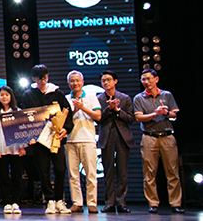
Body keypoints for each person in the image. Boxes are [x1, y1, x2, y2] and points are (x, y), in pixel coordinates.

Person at [20, 64, 73, 215]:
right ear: (33, 79)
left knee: (60, 169)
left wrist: (66, 129)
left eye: (44, 78)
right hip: (39, 140)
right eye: (39, 79)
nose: (42, 81)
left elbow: (67, 112)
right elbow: (25, 116)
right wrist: (29, 136)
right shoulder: (28, 94)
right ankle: (49, 200)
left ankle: (59, 200)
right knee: (43, 171)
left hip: (56, 137)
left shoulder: (57, 93)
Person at [133, 69, 183, 213]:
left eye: (149, 78)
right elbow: (139, 117)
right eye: (143, 79)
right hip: (149, 136)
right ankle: (153, 203)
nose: (146, 82)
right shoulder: (139, 98)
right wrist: (155, 114)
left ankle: (175, 203)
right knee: (149, 172)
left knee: (172, 172)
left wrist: (165, 113)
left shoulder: (166, 95)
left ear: (156, 79)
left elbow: (175, 115)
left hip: (167, 136)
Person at [65, 70, 102, 213]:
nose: (75, 83)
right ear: (68, 83)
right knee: (73, 175)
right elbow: (62, 119)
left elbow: (98, 116)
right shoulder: (66, 99)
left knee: (90, 173)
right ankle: (77, 202)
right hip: (71, 140)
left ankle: (92, 202)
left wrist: (82, 108)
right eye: (72, 81)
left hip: (87, 139)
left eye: (77, 80)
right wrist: (74, 110)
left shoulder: (91, 97)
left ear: (82, 82)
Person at [97, 70, 134, 213]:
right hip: (107, 137)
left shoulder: (125, 98)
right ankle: (109, 203)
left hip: (122, 137)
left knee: (122, 172)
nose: (106, 82)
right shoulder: (99, 99)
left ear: (115, 81)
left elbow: (130, 118)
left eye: (108, 80)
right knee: (108, 172)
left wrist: (117, 110)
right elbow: (98, 119)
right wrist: (109, 109)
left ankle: (121, 203)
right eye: (103, 80)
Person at [0, 86, 25, 214]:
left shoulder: (18, 112)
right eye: (2, 95)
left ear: (11, 96)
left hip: (16, 149)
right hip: (2, 148)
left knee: (17, 177)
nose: (4, 97)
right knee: (3, 177)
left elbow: (22, 130)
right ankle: (6, 202)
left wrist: (22, 147)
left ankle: (16, 202)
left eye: (6, 94)